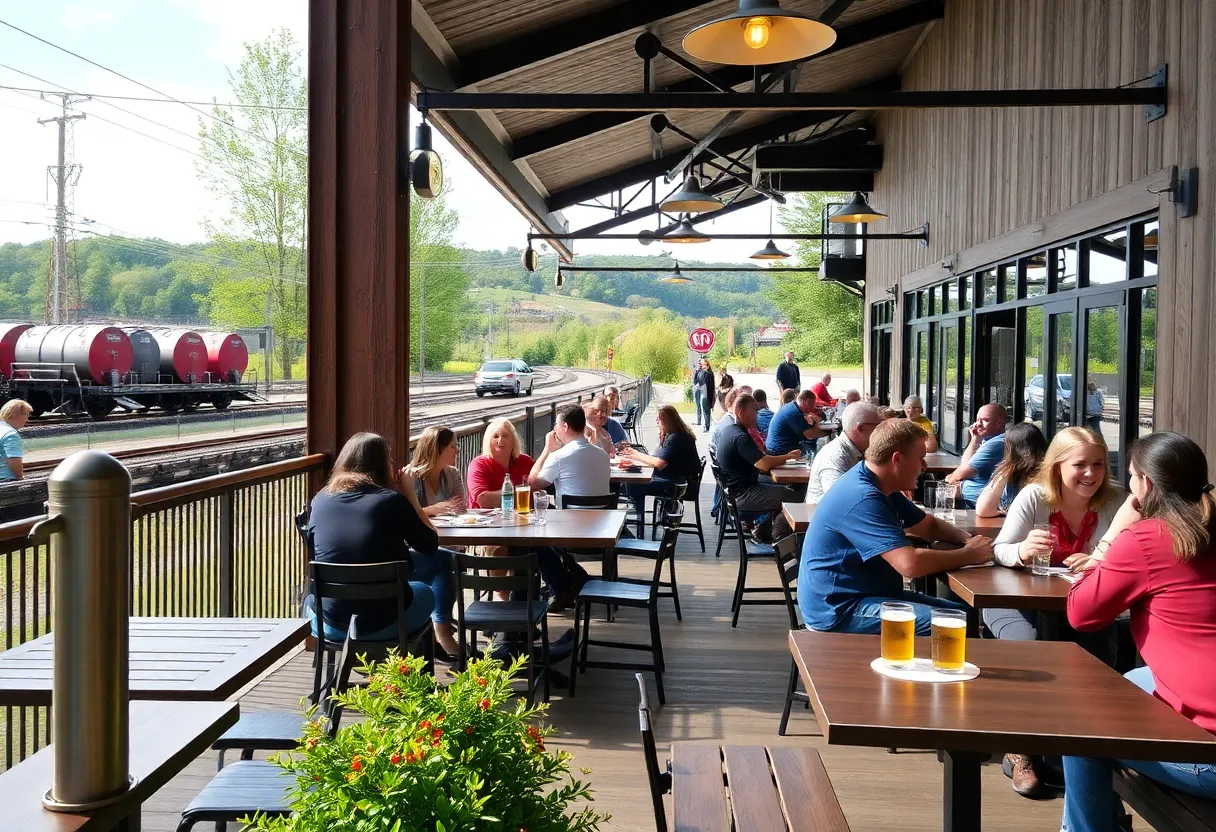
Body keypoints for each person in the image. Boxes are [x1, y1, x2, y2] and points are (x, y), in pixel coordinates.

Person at [1060, 431, 1216, 832]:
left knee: (1079, 724)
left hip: (1207, 755)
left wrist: (1116, 532)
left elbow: (1081, 613)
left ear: (1145, 483)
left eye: (1130, 475)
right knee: (1132, 680)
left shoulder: (1146, 538)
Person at [799, 419, 993, 634]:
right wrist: (969, 554)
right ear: (897, 459)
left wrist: (969, 540)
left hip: (867, 594)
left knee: (964, 615)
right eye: (920, 459)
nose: (925, 467)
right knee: (952, 625)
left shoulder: (882, 485)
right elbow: (910, 565)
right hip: (839, 609)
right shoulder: (863, 497)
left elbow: (927, 526)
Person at [306, 432, 439, 646]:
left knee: (310, 601)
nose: (393, 464)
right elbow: (430, 545)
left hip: (328, 624)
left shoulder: (319, 500)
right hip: (385, 624)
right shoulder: (392, 501)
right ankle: (406, 670)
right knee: (425, 592)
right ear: (380, 464)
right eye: (390, 459)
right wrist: (411, 498)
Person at [396, 426, 465, 656]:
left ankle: (440, 631)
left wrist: (429, 513)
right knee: (448, 563)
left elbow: (461, 507)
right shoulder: (411, 477)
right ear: (438, 449)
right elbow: (407, 517)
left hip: (443, 540)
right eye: (452, 445)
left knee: (447, 564)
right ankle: (442, 630)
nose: (457, 449)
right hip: (416, 548)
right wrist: (434, 509)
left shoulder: (452, 473)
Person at [713, 393, 802, 542]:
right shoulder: (740, 437)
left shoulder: (730, 430)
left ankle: (763, 530)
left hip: (735, 491)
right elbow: (763, 464)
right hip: (742, 495)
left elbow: (759, 464)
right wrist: (789, 456)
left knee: (780, 486)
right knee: (796, 498)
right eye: (755, 411)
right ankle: (779, 537)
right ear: (742, 413)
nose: (758, 416)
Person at [621, 405, 700, 530]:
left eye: (659, 419)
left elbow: (660, 463)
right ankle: (638, 516)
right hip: (680, 480)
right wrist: (637, 458)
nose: (657, 422)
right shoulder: (675, 435)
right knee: (636, 479)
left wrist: (636, 455)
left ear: (668, 420)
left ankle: (636, 512)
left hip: (677, 484)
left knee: (634, 482)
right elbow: (657, 458)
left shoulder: (676, 438)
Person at [529, 404, 611, 506]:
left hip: (568, 520)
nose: (554, 429)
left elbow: (532, 483)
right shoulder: (603, 455)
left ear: (565, 426)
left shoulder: (558, 457)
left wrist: (547, 450)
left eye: (556, 425)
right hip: (602, 519)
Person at [804, 402, 883, 504]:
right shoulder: (835, 455)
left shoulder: (858, 450)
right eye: (877, 426)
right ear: (861, 428)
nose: (881, 431)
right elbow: (839, 501)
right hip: (827, 517)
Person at [974, 423, 1048, 517]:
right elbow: (983, 510)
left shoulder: (1046, 475)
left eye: (1006, 444)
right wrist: (1003, 475)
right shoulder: (1009, 472)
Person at [946, 403, 1008, 507]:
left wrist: (951, 480)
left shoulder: (998, 443)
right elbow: (965, 465)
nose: (978, 424)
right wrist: (975, 439)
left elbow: (959, 475)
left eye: (985, 420)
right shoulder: (988, 440)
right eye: (977, 419)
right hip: (968, 499)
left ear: (999, 423)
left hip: (977, 504)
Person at [466, 418, 534, 509]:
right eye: (495, 436)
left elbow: (541, 487)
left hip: (523, 518)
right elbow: (483, 500)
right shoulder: (478, 464)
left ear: (513, 441)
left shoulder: (526, 462)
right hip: (486, 521)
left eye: (505, 436)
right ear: (488, 441)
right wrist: (521, 495)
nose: (500, 441)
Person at [766, 389, 829, 455]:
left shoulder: (791, 406)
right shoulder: (794, 413)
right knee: (815, 448)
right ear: (802, 401)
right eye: (810, 404)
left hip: (777, 446)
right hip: (779, 449)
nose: (812, 408)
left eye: (813, 405)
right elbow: (811, 435)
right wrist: (826, 431)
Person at [0, 399, 31, 481]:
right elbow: (14, 460)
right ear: (16, 415)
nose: (27, 420)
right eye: (26, 415)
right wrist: (20, 477)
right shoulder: (11, 435)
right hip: (5, 480)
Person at [692, 358, 715, 432]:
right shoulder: (699, 371)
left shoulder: (709, 373)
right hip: (699, 390)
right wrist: (696, 372)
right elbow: (695, 381)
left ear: (707, 365)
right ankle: (699, 421)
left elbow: (711, 386)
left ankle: (707, 426)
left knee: (706, 409)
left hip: (706, 393)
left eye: (702, 364)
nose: (700, 365)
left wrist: (706, 371)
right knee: (698, 406)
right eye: (700, 364)